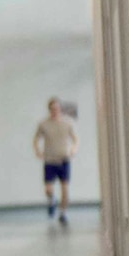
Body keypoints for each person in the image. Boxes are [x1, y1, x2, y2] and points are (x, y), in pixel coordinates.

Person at [34, 97, 78, 226]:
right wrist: (37, 150)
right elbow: (36, 139)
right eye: (53, 109)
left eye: (57, 108)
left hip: (63, 159)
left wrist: (73, 149)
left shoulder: (67, 123)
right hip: (50, 159)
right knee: (48, 188)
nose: (55, 111)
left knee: (65, 188)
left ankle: (62, 213)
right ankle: (51, 201)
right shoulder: (44, 124)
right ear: (49, 110)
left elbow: (75, 139)